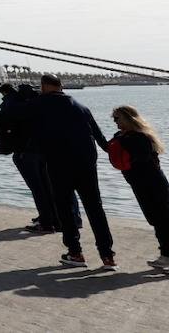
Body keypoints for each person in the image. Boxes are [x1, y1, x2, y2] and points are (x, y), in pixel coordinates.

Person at [28, 74, 115, 269]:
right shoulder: (81, 107)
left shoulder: (38, 105)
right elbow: (101, 139)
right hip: (87, 164)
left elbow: (14, 121)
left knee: (65, 208)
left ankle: (75, 253)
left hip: (59, 164)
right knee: (95, 208)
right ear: (61, 86)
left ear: (43, 87)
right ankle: (107, 255)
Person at [109, 105, 169, 276]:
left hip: (154, 185)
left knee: (166, 221)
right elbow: (111, 148)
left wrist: (118, 141)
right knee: (156, 220)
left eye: (117, 118)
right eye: (114, 119)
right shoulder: (123, 137)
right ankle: (167, 255)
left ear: (128, 119)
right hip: (140, 185)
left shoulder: (140, 138)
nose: (115, 122)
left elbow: (135, 155)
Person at [0, 84, 78, 234]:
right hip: (45, 151)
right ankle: (58, 221)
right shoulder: (42, 106)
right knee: (50, 187)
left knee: (38, 189)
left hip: (25, 153)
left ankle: (46, 222)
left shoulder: (15, 106)